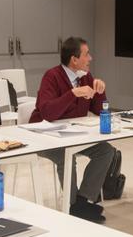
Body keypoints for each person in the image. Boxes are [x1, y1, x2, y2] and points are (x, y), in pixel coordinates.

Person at [30, 37, 116, 223]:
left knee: (106, 151)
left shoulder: (86, 77)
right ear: (74, 59)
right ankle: (70, 204)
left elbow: (100, 110)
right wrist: (72, 94)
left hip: (73, 136)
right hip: (44, 137)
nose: (90, 58)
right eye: (86, 54)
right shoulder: (51, 76)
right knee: (64, 155)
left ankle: (81, 202)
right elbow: (47, 112)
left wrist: (100, 92)